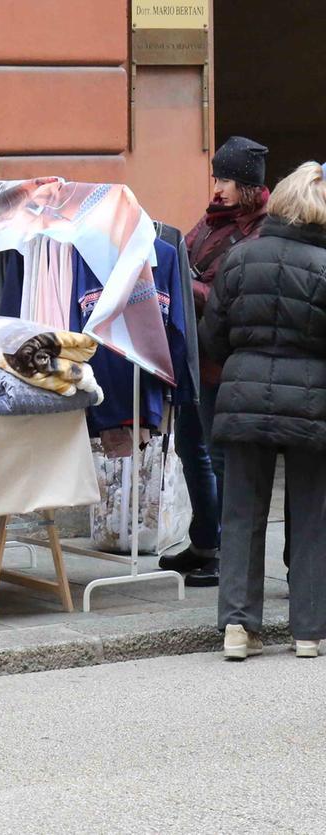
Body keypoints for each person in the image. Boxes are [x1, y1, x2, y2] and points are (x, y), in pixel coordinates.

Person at [199, 161, 326, 661]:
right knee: (313, 514)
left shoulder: (239, 258)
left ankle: (236, 627)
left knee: (242, 512)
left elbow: (214, 336)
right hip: (313, 402)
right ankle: (309, 631)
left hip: (243, 395)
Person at [161, 136, 269, 588]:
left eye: (226, 179)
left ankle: (226, 550)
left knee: (219, 457)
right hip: (195, 356)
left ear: (247, 185)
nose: (218, 187)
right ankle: (205, 541)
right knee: (190, 449)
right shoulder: (212, 221)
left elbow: (232, 293)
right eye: (217, 177)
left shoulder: (260, 231)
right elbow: (185, 255)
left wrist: (185, 286)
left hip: (226, 363)